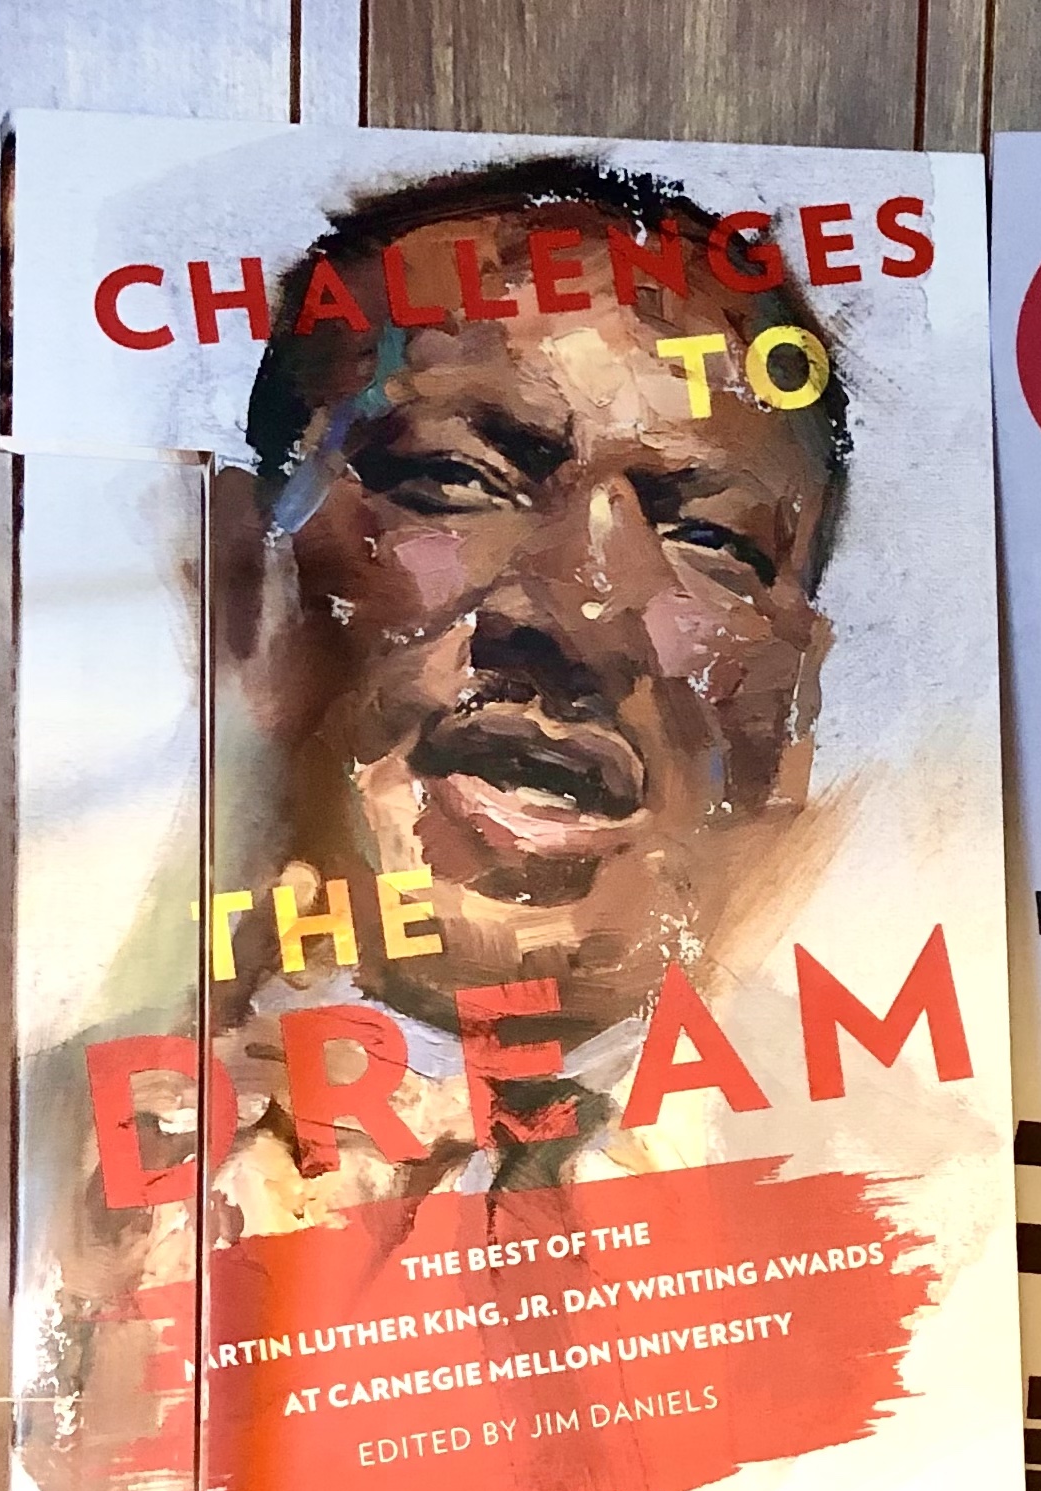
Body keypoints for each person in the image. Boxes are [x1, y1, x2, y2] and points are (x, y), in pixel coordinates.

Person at [201, 156, 859, 1225]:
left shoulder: (913, 1195)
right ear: (244, 582)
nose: (585, 609)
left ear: (789, 717)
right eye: (457, 481)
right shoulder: (27, 1173)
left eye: (709, 541)